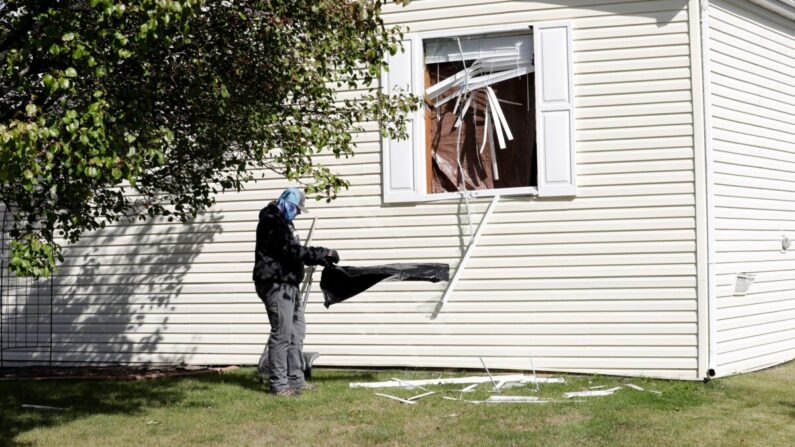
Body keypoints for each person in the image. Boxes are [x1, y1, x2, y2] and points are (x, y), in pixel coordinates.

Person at [252, 187, 339, 396]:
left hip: (289, 285)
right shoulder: (271, 222)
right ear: (287, 203)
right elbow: (291, 252)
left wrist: (321, 257)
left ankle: (296, 380)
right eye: (297, 209)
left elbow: (293, 253)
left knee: (296, 332)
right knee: (282, 334)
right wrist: (322, 253)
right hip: (276, 284)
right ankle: (279, 385)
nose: (299, 213)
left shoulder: (283, 222)